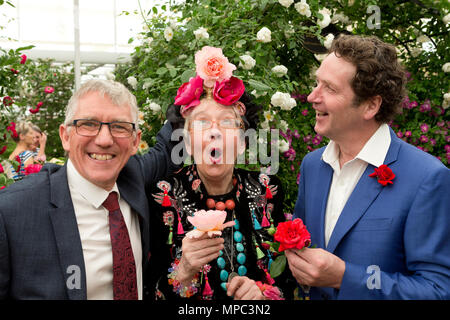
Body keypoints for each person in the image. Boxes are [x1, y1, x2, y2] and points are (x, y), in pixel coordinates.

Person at [288, 34, 450, 299]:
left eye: (329, 88)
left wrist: (345, 278)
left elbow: (438, 290)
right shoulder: (313, 166)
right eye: (316, 83)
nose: (311, 97)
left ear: (371, 105)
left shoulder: (428, 179)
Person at [0, 79, 179, 299]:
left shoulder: (133, 176)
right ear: (65, 136)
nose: (104, 140)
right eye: (88, 124)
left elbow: (166, 151)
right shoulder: (11, 213)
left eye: (119, 127)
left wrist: (200, 91)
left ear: (135, 142)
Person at [147, 46, 296, 301]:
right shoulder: (164, 195)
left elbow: (287, 280)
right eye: (202, 123)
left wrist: (263, 297)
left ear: (242, 142)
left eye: (227, 123)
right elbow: (150, 291)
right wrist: (184, 271)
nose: (214, 132)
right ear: (189, 142)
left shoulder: (266, 189)